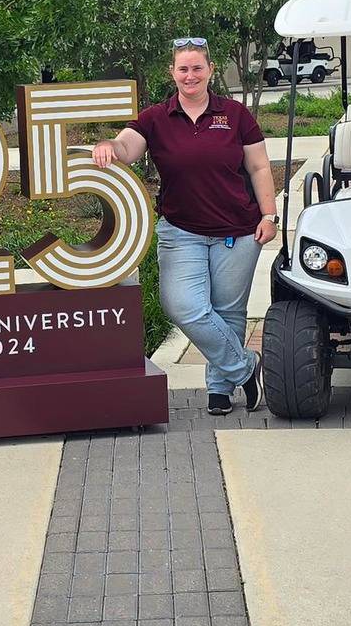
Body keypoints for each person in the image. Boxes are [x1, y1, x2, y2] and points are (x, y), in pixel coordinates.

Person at [91, 36, 276, 417]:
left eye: (197, 67)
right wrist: (110, 144)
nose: (190, 75)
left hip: (237, 231)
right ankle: (246, 367)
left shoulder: (235, 114)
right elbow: (128, 146)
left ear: (210, 70)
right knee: (182, 306)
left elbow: (258, 167)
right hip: (181, 231)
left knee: (228, 311)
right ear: (171, 73)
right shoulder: (156, 118)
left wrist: (269, 215)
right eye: (182, 68)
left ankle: (219, 391)